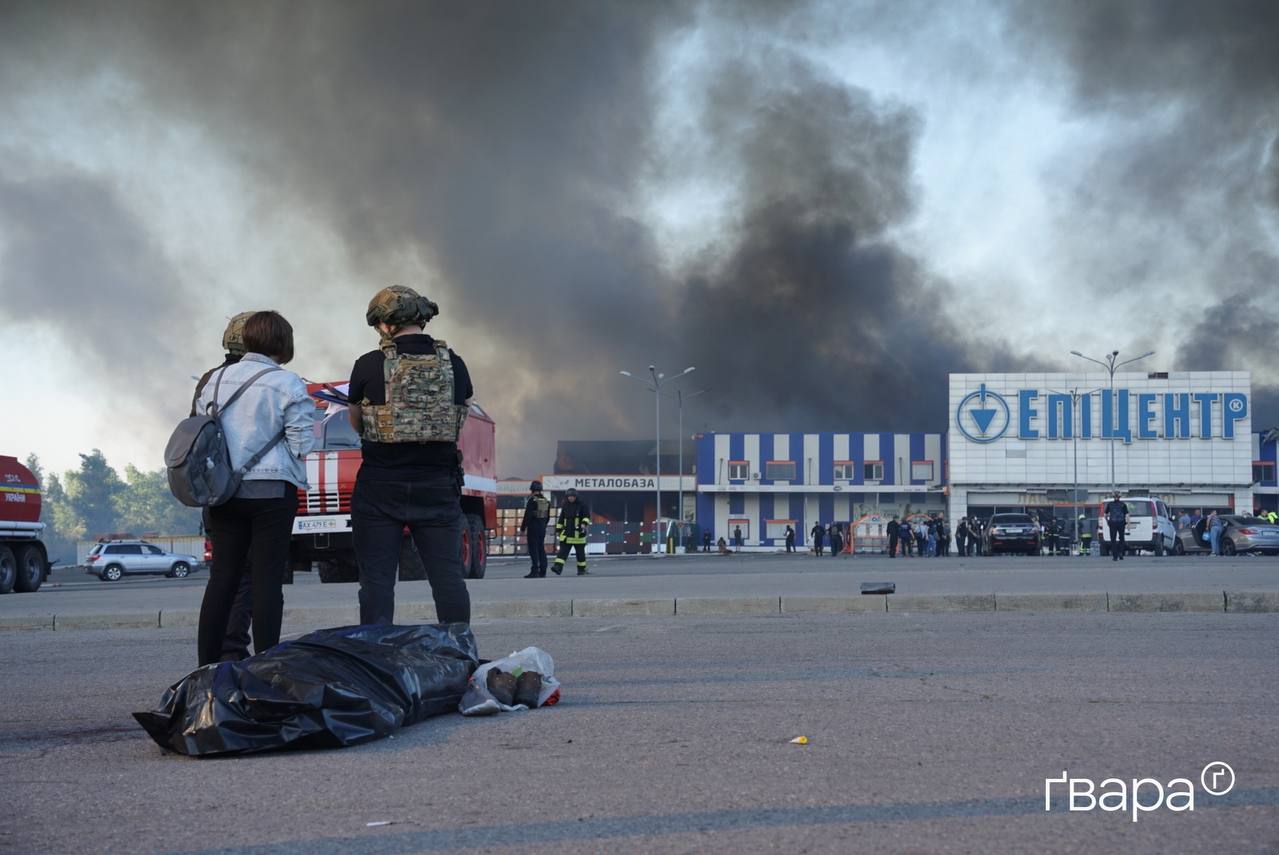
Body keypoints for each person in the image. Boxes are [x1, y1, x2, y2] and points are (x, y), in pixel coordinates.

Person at [347, 286, 473, 625]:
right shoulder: (454, 363)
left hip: (380, 485)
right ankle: (457, 647)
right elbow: (463, 410)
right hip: (438, 485)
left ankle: (377, 650)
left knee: (377, 581)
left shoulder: (369, 364)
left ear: (386, 324)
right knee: (447, 579)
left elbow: (356, 420)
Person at [195, 311, 314, 666]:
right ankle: (265, 665)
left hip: (224, 492)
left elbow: (202, 431)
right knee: (266, 581)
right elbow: (302, 445)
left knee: (222, 580)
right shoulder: (288, 383)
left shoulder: (214, 381)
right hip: (272, 494)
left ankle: (206, 666)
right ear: (283, 343)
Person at [192, 311, 258, 662]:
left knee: (222, 576)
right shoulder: (267, 378)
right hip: (255, 489)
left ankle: (212, 658)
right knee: (246, 577)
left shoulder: (209, 380)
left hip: (216, 492)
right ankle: (233, 652)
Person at [551, 488, 591, 574]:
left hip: (578, 535)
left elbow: (586, 516)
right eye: (569, 496)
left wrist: (584, 523)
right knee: (562, 552)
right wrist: (558, 529)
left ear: (575, 496)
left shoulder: (582, 505)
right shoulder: (565, 505)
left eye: (572, 496)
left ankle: (581, 570)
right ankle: (558, 567)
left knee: (580, 555)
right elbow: (561, 518)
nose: (570, 498)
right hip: (567, 534)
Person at [520, 480, 551, 578]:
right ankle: (543, 570)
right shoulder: (546, 501)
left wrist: (523, 529)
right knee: (541, 548)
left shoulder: (532, 501)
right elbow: (548, 517)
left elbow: (527, 516)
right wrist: (543, 525)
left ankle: (534, 571)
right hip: (542, 528)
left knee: (533, 550)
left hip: (533, 528)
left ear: (532, 490)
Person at [1103, 493, 1129, 561]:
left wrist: (1108, 521)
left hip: (1112, 523)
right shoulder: (1123, 504)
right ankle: (1120, 553)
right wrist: (1127, 524)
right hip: (1121, 523)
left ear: (1113, 497)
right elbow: (1127, 515)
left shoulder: (1110, 504)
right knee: (1122, 538)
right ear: (1119, 497)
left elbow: (1105, 515)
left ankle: (1115, 556)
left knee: (1113, 539)